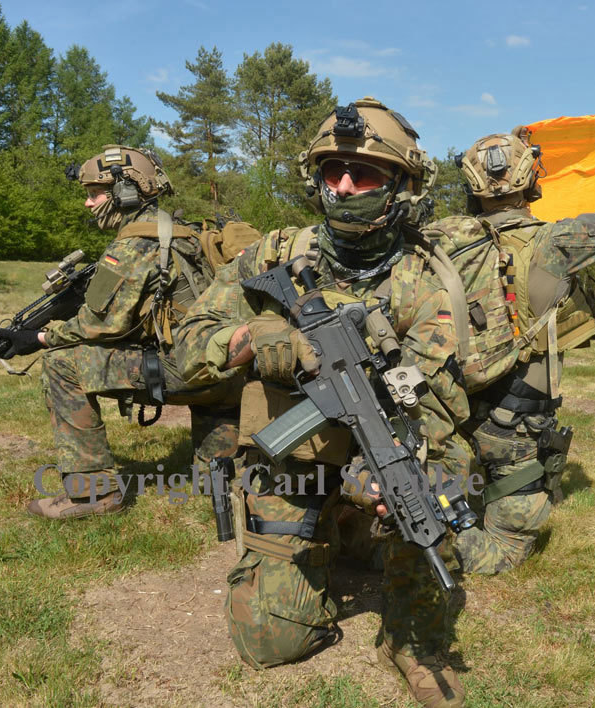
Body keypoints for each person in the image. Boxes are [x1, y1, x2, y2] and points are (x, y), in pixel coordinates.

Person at [175, 98, 468, 708]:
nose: (343, 185)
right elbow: (186, 346)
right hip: (293, 456)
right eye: (332, 169)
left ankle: (414, 642)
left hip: (375, 447)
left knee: (430, 490)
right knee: (268, 641)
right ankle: (326, 530)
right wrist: (256, 339)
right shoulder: (276, 255)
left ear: (401, 186)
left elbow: (429, 403)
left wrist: (376, 473)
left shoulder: (423, 284)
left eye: (363, 174)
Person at [426, 114, 595, 574]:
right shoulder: (554, 243)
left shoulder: (438, 243)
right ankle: (428, 542)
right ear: (531, 178)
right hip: (513, 425)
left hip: (445, 414)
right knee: (505, 551)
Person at [0, 145, 242, 519]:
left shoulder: (133, 244)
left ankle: (93, 494)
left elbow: (99, 325)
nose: (88, 204)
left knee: (62, 363)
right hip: (230, 370)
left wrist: (41, 338)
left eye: (94, 194)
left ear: (125, 191)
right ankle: (222, 475)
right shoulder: (185, 231)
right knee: (215, 474)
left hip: (188, 371)